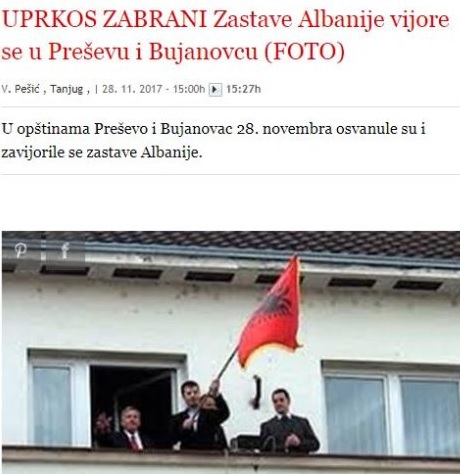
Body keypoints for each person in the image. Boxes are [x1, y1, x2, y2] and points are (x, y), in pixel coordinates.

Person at [170, 379, 230, 450]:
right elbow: (171, 439)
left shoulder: (208, 414)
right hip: (187, 457)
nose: (193, 396)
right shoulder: (178, 419)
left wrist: (216, 394)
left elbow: (224, 413)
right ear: (183, 397)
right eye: (189, 393)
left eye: (195, 392)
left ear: (199, 394)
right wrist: (183, 428)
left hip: (208, 456)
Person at [260, 388, 320, 454]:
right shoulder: (267, 426)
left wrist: (299, 443)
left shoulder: (302, 423)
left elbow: (315, 444)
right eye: (275, 401)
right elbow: (263, 450)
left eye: (281, 400)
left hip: (300, 462)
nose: (278, 403)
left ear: (288, 401)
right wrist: (284, 446)